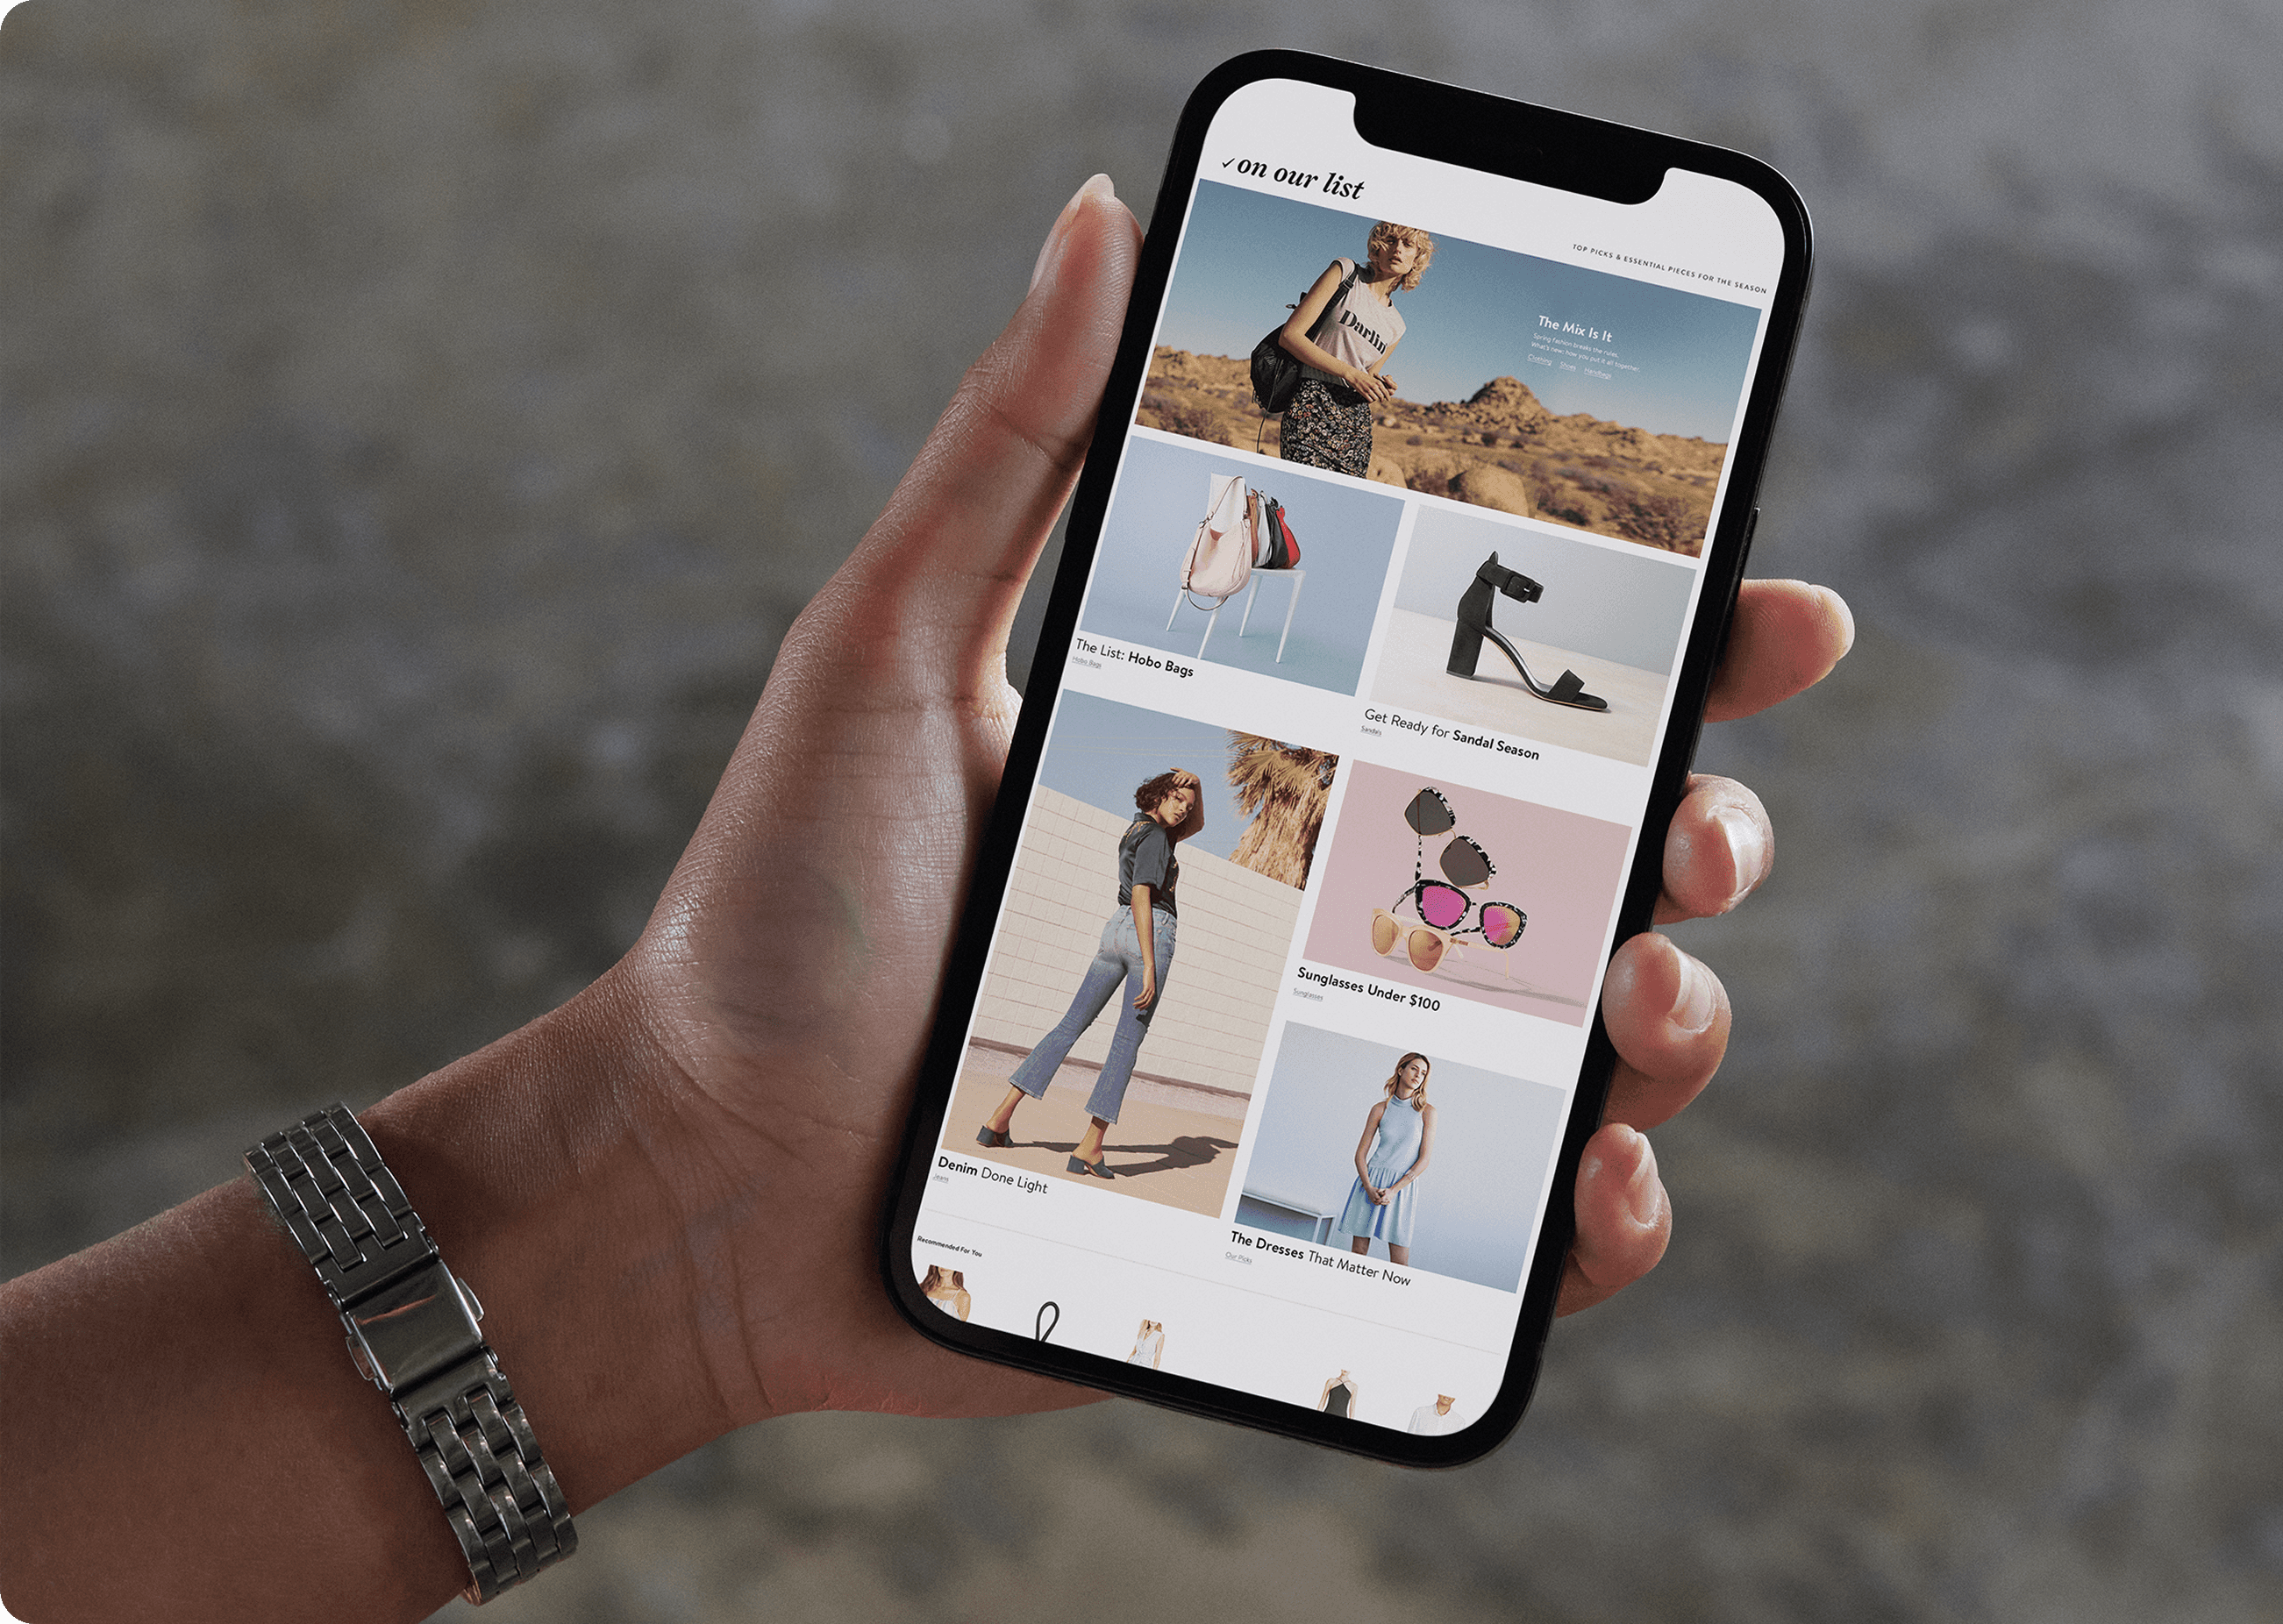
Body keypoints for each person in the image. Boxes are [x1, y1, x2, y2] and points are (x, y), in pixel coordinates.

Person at [0, 174, 1854, 1622]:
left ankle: (1087, 1135)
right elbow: (1292, 357)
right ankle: (1089, 1132)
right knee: (1109, 1008)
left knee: (1126, 1014)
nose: (1396, 262)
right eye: (1392, 246)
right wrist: (667, 1181)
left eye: (1409, 258)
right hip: (1194, 783)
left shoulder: (1165, 825)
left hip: (1186, 828)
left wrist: (682, 1169)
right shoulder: (1177, 765)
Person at [975, 766, 1202, 1178]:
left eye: (1188, 804)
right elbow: (1142, 893)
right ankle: (1090, 1148)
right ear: (1159, 795)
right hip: (1148, 930)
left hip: (1114, 931)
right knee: (1126, 1043)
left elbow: (1196, 824)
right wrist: (1150, 964)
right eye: (1178, 799)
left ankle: (998, 1119)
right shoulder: (1157, 837)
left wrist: (1195, 784)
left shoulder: (1138, 830)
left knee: (1069, 1025)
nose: (1185, 809)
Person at [1273, 221, 1429, 474]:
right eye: (1391, 241)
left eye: (1408, 244)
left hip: (1355, 422)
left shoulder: (1397, 325)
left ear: (1416, 259)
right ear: (1377, 247)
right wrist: (1351, 373)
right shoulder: (1345, 273)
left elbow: (1366, 376)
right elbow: (1290, 336)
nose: (1398, 249)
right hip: (1310, 405)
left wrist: (1379, 385)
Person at [1339, 1052, 1436, 1265]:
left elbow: (1424, 1160)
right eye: (1414, 1069)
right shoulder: (1380, 1109)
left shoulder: (1427, 1112)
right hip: (1371, 1183)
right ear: (1401, 1070)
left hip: (1401, 1188)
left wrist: (1394, 1190)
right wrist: (1368, 1187)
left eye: (1423, 1073)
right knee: (1357, 1254)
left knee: (1399, 1263)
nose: (1418, 1075)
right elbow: (1360, 1155)